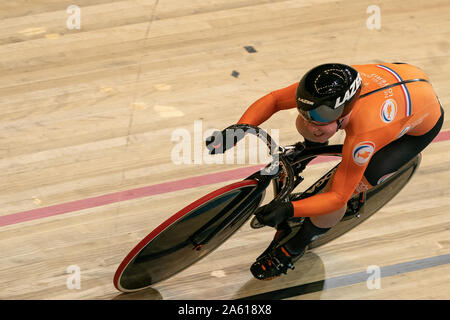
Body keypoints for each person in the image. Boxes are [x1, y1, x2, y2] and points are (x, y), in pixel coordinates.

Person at [206, 62, 444, 280]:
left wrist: (290, 209)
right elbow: (275, 100)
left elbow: (337, 198)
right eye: (306, 110)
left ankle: (297, 245)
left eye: (320, 117)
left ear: (343, 110)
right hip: (404, 77)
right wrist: (237, 130)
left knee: (339, 193)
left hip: (413, 128)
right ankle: (309, 149)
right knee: (309, 125)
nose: (310, 121)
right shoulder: (327, 86)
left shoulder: (364, 135)